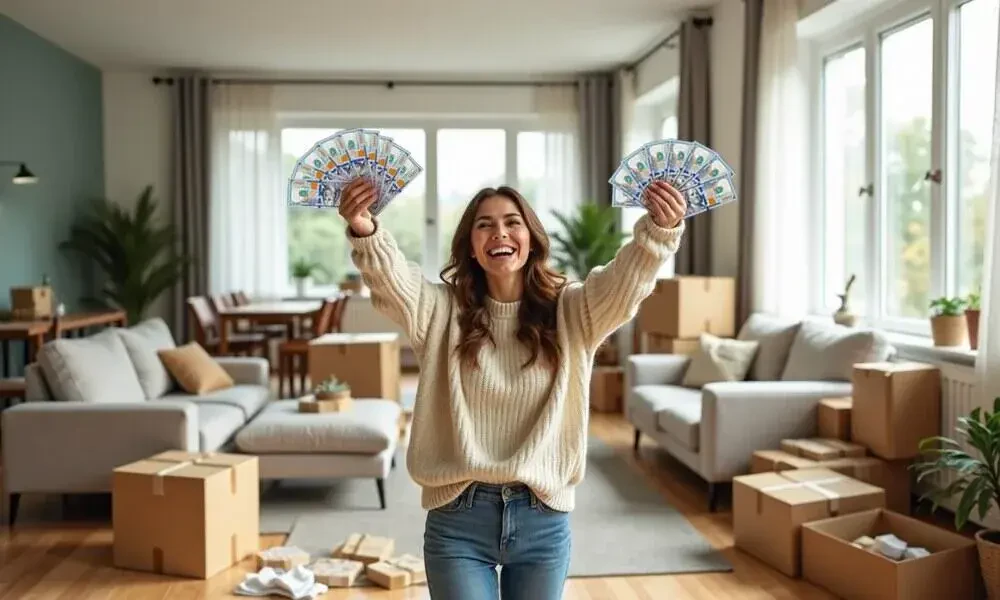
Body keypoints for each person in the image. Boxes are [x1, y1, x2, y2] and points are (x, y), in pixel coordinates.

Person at [339, 178, 687, 600]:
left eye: (512, 222)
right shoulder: (439, 310)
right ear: (471, 247)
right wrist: (365, 228)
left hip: (543, 520)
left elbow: (627, 281)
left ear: (532, 240)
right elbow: (390, 278)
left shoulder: (574, 309)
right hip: (458, 519)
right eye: (484, 225)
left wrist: (659, 230)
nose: (499, 233)